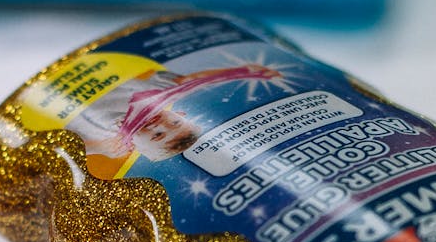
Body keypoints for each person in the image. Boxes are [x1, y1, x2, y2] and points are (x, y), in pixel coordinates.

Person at [72, 61, 281, 167]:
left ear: (136, 148)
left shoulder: (108, 138)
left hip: (67, 89)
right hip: (101, 66)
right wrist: (240, 71)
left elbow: (69, 145)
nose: (158, 125)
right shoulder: (158, 94)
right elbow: (188, 80)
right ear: (180, 113)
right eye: (173, 123)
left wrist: (100, 147)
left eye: (157, 136)